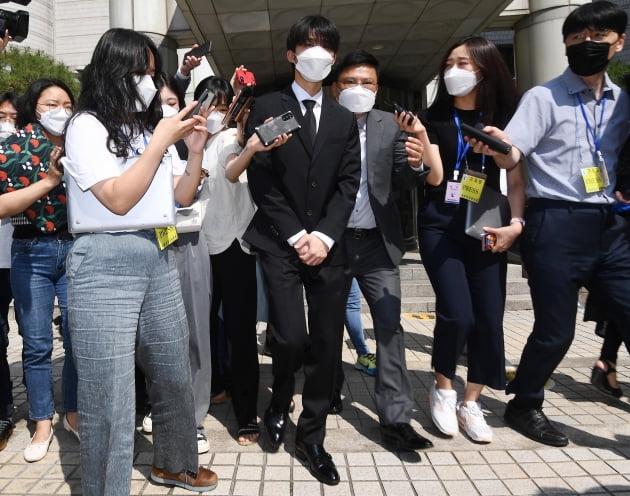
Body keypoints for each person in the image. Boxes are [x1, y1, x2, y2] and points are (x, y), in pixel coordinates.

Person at [63, 28, 216, 494]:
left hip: (158, 252)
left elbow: (181, 194)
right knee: (109, 393)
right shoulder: (85, 126)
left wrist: (191, 153)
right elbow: (117, 199)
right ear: (115, 71)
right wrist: (160, 141)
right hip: (103, 262)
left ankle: (174, 463)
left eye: (152, 71)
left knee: (172, 371)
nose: (149, 81)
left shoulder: (148, 128)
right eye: (140, 72)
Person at [470, 1, 630, 447]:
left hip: (610, 226)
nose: (587, 45)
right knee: (556, 329)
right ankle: (525, 403)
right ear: (564, 45)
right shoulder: (543, 97)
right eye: (577, 39)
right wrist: (501, 147)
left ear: (619, 43)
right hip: (555, 222)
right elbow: (515, 153)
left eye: (598, 37)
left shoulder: (624, 102)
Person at [244, 15, 361, 486]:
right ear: (292, 54)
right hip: (280, 242)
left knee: (328, 345)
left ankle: (311, 435)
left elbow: (348, 181)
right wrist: (297, 235)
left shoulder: (340, 114)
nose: (319, 54)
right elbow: (262, 178)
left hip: (330, 247)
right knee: (290, 336)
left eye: (327, 47)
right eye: (309, 46)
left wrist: (326, 236)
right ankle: (277, 401)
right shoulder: (270, 107)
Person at [413, 37, 523, 443]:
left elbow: (516, 174)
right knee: (457, 313)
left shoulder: (507, 117)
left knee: (489, 317)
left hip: (489, 223)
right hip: (440, 221)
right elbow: (435, 177)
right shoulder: (432, 117)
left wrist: (516, 224)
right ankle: (443, 387)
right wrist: (421, 149)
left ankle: (471, 401)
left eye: (464, 63)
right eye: (449, 62)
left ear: (484, 69)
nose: (453, 70)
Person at [329, 48, 436, 452]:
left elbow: (406, 179)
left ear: (377, 88)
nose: (359, 89)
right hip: (332, 243)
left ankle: (396, 419)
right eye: (351, 82)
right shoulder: (321, 121)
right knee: (325, 327)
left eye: (367, 83)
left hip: (378, 245)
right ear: (335, 87)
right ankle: (330, 390)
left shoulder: (389, 126)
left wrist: (414, 162)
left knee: (389, 329)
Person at [0, 79, 80, 461]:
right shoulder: (12, 147)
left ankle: (73, 413)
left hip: (76, 248)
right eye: (52, 103)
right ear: (35, 107)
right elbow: (4, 206)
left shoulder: (82, 141)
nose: (61, 109)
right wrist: (50, 180)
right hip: (30, 249)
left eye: (67, 103)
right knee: (35, 344)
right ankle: (42, 422)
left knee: (78, 337)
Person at [197, 74, 261, 446]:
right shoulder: (185, 142)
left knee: (240, 333)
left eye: (223, 106)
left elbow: (240, 149)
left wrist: (241, 125)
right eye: (211, 105)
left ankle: (246, 412)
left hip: (236, 245)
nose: (216, 113)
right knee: (201, 330)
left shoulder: (233, 138)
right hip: (195, 247)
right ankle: (215, 387)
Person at [0, 91, 18, 451]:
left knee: (36, 342)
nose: (6, 124)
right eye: (1, 117)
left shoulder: (37, 151)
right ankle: (4, 411)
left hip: (33, 252)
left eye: (14, 118)